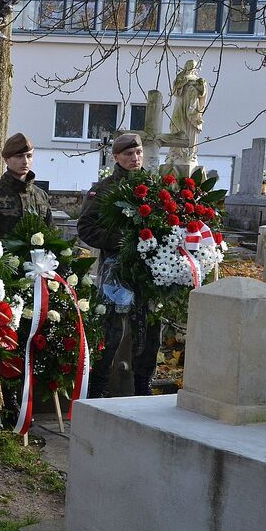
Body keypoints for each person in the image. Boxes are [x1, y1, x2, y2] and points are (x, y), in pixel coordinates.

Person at [77, 133, 161, 398]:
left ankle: (143, 384)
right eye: (128, 154)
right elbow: (86, 228)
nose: (135, 158)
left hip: (152, 270)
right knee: (111, 328)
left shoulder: (155, 186)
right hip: (117, 270)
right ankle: (98, 384)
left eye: (138, 153)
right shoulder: (103, 189)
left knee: (150, 328)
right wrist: (123, 241)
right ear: (116, 157)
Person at [0, 133, 52, 237]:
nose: (25, 161)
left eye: (29, 156)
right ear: (6, 160)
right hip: (2, 252)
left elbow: (50, 232)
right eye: (19, 156)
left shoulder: (41, 196)